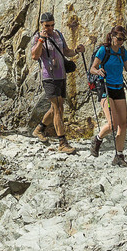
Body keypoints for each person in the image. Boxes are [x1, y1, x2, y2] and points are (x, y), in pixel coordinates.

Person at [89, 25, 127, 165]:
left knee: (123, 124)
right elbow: (92, 68)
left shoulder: (122, 51)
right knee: (113, 124)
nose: (121, 42)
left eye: (123, 39)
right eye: (119, 38)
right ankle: (98, 139)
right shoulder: (104, 50)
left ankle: (119, 156)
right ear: (112, 36)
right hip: (105, 88)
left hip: (119, 89)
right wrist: (99, 72)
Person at [30, 12, 81, 154]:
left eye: (52, 25)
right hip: (49, 76)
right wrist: (41, 40)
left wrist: (76, 50)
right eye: (47, 25)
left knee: (57, 109)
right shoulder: (37, 37)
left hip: (61, 75)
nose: (50, 28)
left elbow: (66, 51)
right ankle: (62, 142)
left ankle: (39, 129)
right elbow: (34, 56)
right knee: (57, 107)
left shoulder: (58, 34)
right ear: (42, 24)